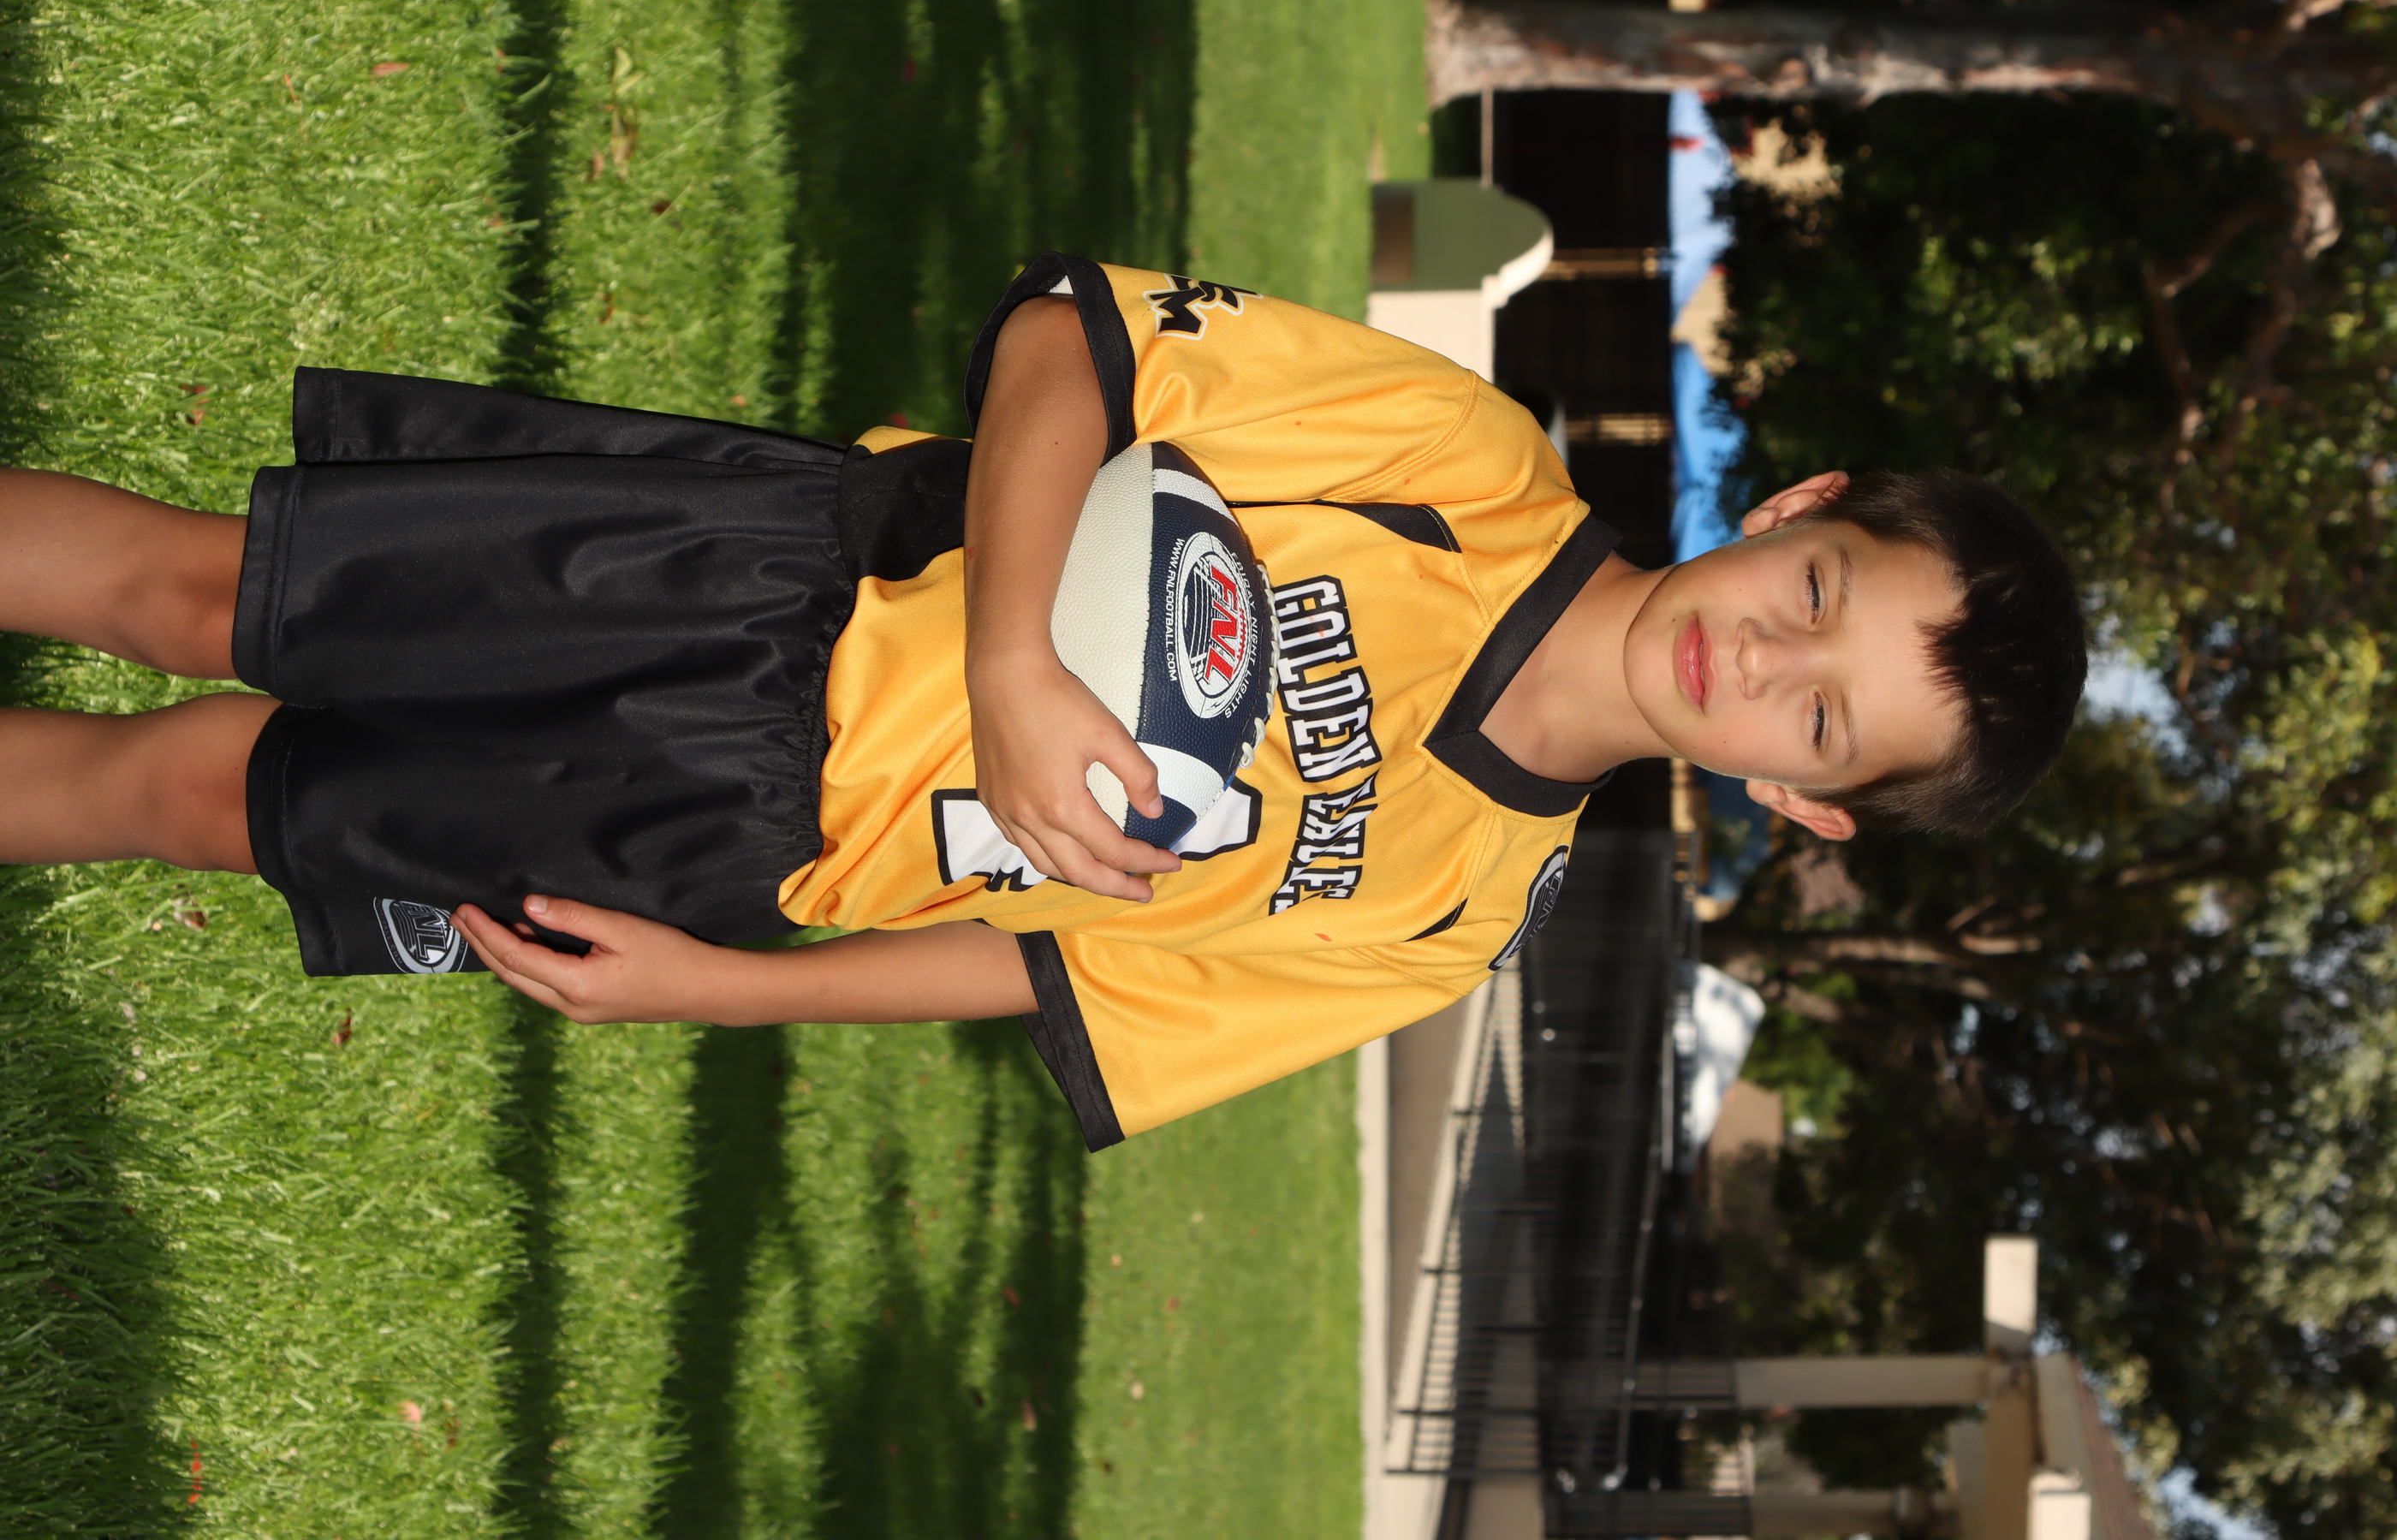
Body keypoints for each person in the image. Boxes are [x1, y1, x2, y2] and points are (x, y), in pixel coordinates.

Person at [0, 254, 2086, 1147]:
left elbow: (1060, 973)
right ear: (1790, 512)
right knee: (199, 593)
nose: (1765, 661)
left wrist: (718, 992)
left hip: (755, 844)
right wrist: (1010, 656)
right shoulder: (1461, 463)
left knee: (203, 801)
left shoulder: (1446, 919)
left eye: (1821, 721)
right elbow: (1072, 340)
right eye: (1815, 595)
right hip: (773, 582)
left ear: (1803, 806)